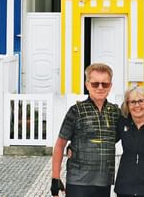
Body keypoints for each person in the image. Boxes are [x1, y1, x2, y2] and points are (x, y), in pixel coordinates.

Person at [51, 63, 121, 197]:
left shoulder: (116, 112)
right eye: (95, 84)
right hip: (78, 183)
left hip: (104, 182)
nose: (100, 87)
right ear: (87, 85)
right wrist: (55, 178)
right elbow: (60, 145)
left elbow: (137, 121)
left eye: (104, 84)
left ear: (110, 86)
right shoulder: (75, 111)